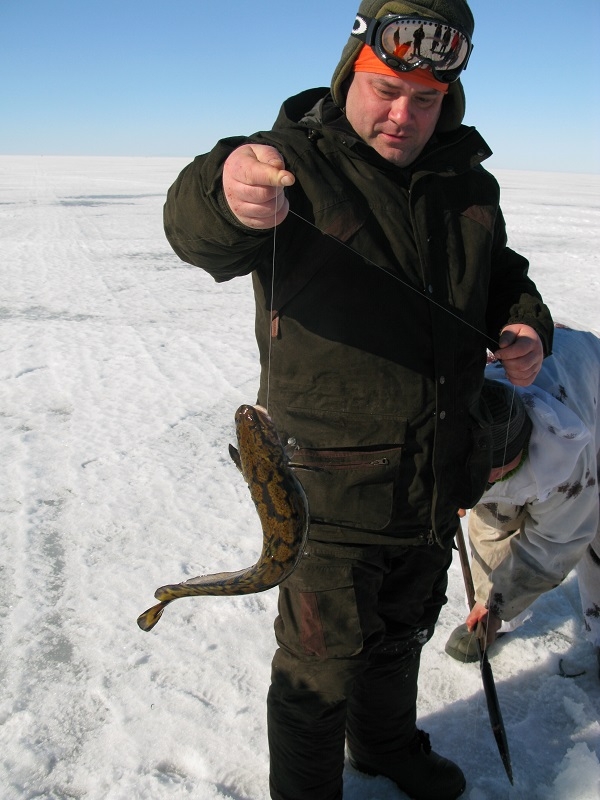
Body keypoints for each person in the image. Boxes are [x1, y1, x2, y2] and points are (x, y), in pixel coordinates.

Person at [163, 2, 554, 799]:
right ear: (349, 74)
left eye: (427, 99)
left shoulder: (465, 180)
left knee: (402, 633)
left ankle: (384, 747)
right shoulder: (292, 165)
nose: (404, 115)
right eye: (386, 90)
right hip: (325, 493)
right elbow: (199, 227)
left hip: (436, 475)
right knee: (319, 666)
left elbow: (500, 275)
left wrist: (523, 323)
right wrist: (226, 188)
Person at [445, 326, 600, 678]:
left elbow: (554, 546)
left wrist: (504, 598)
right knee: (493, 519)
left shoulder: (568, 466)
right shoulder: (472, 407)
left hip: (589, 378)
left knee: (593, 531)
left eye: (489, 475)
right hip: (535, 378)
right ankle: (490, 615)